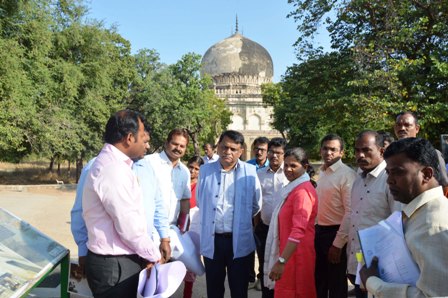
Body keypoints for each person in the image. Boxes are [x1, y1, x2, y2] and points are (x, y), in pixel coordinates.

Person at [70, 126, 171, 279]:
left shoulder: (147, 168)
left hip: (142, 253)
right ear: (130, 139)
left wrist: (164, 238)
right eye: (144, 141)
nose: (148, 146)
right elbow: (80, 210)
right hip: (114, 259)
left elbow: (157, 205)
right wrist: (83, 251)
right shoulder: (98, 166)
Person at [82, 110, 161, 297]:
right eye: (143, 137)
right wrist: (153, 254)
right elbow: (128, 225)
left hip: (117, 262)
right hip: (114, 265)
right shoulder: (113, 169)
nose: (146, 145)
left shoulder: (115, 164)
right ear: (129, 138)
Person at [360, 137, 448, 297]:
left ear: (427, 174)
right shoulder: (416, 212)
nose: (389, 181)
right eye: (388, 172)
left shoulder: (434, 225)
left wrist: (374, 283)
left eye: (398, 172)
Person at [197, 130, 262, 298]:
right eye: (224, 147)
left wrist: (240, 219)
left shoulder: (250, 171)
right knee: (214, 289)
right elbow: (200, 201)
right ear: (218, 147)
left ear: (241, 151)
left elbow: (256, 205)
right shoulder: (205, 171)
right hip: (214, 240)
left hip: (239, 241)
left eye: (233, 149)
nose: (228, 152)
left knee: (239, 289)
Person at [343, 130, 400, 298]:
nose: (360, 155)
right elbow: (354, 217)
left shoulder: (390, 180)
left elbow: (397, 226)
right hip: (357, 263)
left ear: (381, 151)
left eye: (366, 150)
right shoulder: (358, 179)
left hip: (380, 269)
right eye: (357, 150)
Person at [264, 147, 318, 298]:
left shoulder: (302, 192)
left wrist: (281, 261)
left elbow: (298, 230)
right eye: (286, 165)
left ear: (305, 167)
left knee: (296, 292)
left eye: (293, 166)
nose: (288, 169)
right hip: (289, 253)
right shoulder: (293, 188)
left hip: (297, 256)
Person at [314, 134, 356, 298]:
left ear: (342, 153)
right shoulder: (322, 173)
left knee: (336, 284)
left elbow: (350, 212)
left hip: (336, 235)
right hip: (319, 233)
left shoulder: (347, 175)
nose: (328, 152)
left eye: (333, 149)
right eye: (325, 148)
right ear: (320, 150)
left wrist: (338, 244)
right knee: (319, 282)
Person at [254, 137, 289, 298]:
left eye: (279, 153)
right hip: (264, 228)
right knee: (265, 267)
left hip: (285, 232)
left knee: (284, 268)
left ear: (284, 154)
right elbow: (256, 203)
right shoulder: (259, 174)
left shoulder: (290, 174)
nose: (274, 156)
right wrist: (256, 226)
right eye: (272, 152)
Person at [146, 128, 191, 230]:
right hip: (149, 228)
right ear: (166, 143)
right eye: (175, 144)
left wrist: (183, 228)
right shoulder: (149, 162)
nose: (178, 148)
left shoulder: (184, 171)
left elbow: (184, 200)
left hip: (172, 229)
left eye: (182, 146)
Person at [393, 111, 448, 193]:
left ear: (417, 128)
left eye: (407, 125)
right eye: (399, 125)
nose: (402, 128)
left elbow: (444, 184)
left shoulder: (431, 153)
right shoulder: (390, 155)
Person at [183, 155, 204, 298]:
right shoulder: (179, 181)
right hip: (176, 227)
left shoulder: (201, 186)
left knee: (190, 265)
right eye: (191, 167)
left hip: (193, 230)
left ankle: (187, 294)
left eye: (197, 169)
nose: (193, 171)